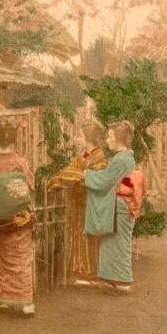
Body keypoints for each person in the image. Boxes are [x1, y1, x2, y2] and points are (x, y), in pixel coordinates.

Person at [0, 120, 36, 315]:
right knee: (21, 257)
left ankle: (6, 301)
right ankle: (26, 303)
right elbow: (30, 186)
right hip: (19, 218)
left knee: (4, 258)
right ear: (13, 139)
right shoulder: (20, 162)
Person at [83, 121, 146, 292]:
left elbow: (106, 180)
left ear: (119, 139)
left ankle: (122, 281)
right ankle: (112, 279)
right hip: (120, 204)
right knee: (112, 242)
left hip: (122, 206)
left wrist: (87, 174)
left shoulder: (122, 159)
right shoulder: (123, 157)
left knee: (118, 242)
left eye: (110, 136)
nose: (107, 140)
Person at [47, 120, 107, 284]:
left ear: (88, 138)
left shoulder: (99, 157)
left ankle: (90, 274)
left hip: (90, 202)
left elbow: (95, 178)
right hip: (79, 201)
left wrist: (77, 175)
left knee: (89, 236)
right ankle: (82, 271)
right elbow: (70, 171)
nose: (77, 138)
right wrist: (70, 175)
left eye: (80, 135)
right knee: (79, 235)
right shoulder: (84, 156)